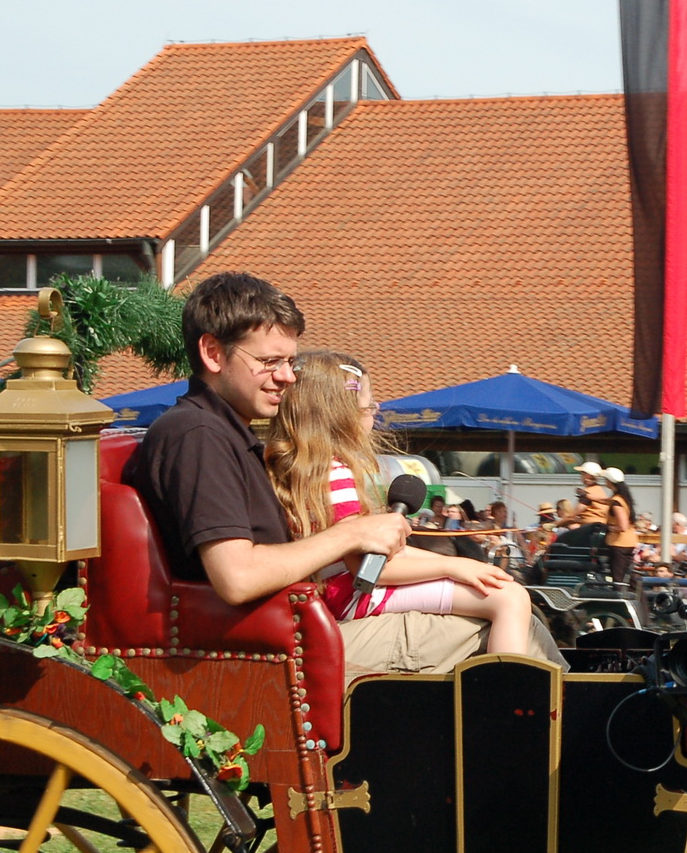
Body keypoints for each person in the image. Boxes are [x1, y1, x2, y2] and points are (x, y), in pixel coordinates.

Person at [122, 272, 558, 679]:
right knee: (518, 632)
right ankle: (526, 750)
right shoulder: (198, 435)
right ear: (213, 353)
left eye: (290, 362)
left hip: (286, 629)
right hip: (266, 648)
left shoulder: (225, 434)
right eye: (270, 361)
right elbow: (237, 578)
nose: (287, 377)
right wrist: (352, 535)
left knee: (522, 623)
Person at [264, 350, 532, 655]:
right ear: (342, 413)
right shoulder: (335, 473)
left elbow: (386, 555)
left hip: (334, 594)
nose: (374, 412)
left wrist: (465, 565)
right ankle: (509, 695)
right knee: (510, 598)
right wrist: (452, 566)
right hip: (354, 597)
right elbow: (368, 569)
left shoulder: (302, 470)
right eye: (369, 405)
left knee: (494, 585)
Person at [601, 467, 638, 584]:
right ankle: (642, 601)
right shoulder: (623, 498)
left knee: (619, 578)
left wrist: (608, 528)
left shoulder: (616, 502)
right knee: (630, 579)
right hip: (628, 542)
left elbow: (623, 526)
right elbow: (606, 500)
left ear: (609, 482)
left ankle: (620, 600)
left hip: (619, 544)